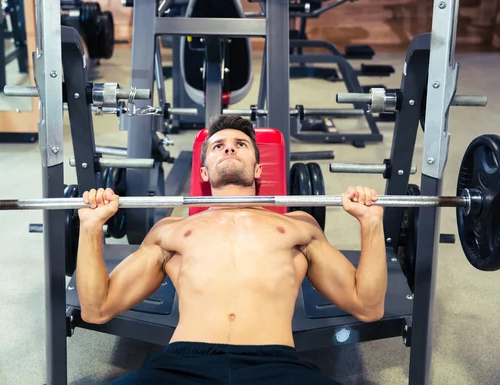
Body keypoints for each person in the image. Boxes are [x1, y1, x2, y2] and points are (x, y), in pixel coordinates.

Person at [76, 115, 387, 385]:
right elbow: (97, 308)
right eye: (217, 145)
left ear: (257, 170)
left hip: (276, 366)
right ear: (203, 173)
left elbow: (367, 305)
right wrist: (90, 227)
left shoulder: (298, 226)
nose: (229, 147)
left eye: (241, 144)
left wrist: (371, 223)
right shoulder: (171, 230)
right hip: (183, 366)